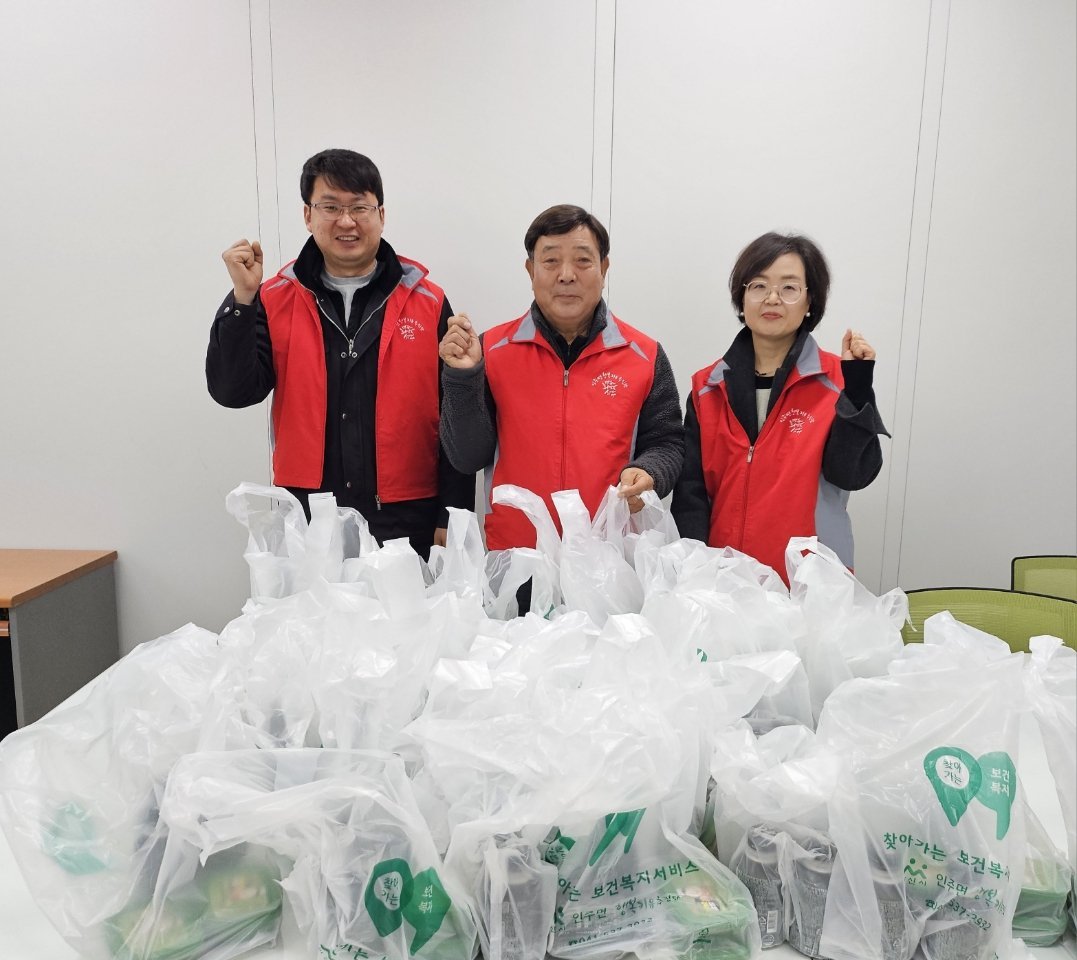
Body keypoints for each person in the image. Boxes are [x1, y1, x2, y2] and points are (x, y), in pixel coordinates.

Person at [206, 148, 473, 558]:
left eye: (359, 207)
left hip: (407, 516)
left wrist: (453, 513)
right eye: (330, 207)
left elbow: (455, 412)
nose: (346, 221)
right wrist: (243, 299)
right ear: (307, 215)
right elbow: (233, 391)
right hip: (311, 515)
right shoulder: (274, 298)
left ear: (381, 214)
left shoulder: (428, 301)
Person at [438, 204, 684, 551]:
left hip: (609, 558)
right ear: (531, 270)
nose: (566, 275)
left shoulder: (644, 355)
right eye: (551, 260)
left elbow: (668, 443)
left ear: (604, 268)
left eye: (583, 260)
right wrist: (463, 378)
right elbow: (466, 458)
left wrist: (651, 473)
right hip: (517, 558)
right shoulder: (491, 350)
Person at [671, 231, 889, 582]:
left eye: (789, 288)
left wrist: (859, 386)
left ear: (810, 302)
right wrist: (696, 574)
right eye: (758, 286)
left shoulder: (838, 381)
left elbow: (853, 474)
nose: (772, 298)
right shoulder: (707, 387)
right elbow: (691, 495)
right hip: (726, 582)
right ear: (742, 298)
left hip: (811, 583)